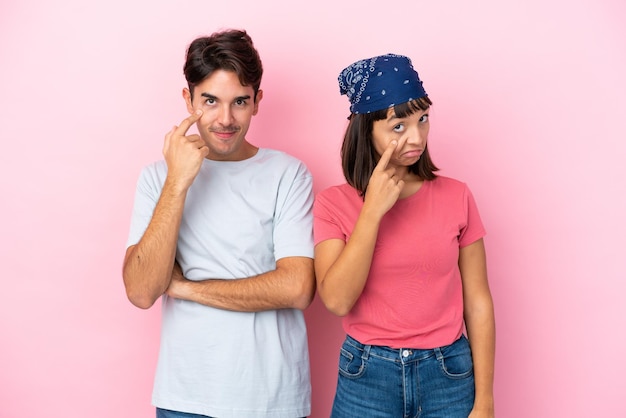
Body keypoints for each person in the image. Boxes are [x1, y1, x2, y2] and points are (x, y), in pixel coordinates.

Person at [122, 29, 315, 418]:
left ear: (257, 101)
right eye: (210, 101)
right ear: (187, 99)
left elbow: (296, 287)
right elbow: (142, 291)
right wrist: (178, 181)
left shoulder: (288, 174)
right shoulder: (158, 178)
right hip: (186, 399)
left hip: (272, 399)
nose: (225, 119)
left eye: (239, 102)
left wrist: (185, 288)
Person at [313, 54, 496, 417]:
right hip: (367, 376)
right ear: (367, 129)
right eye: (399, 126)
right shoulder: (333, 203)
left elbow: (478, 301)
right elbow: (336, 300)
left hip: (449, 372)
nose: (417, 137)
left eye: (423, 119)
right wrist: (372, 211)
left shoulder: (456, 196)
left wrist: (485, 399)